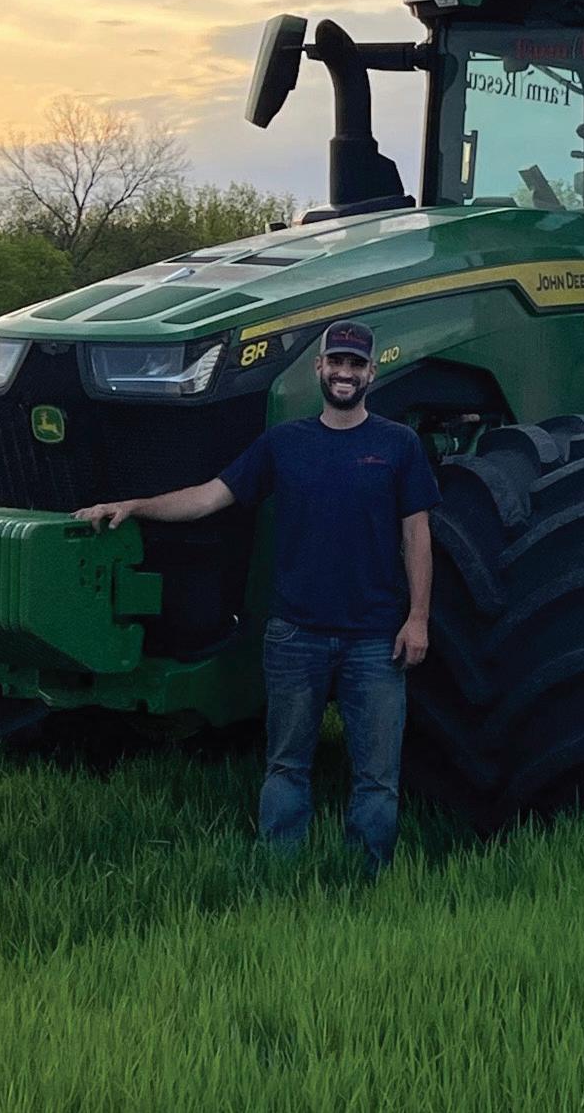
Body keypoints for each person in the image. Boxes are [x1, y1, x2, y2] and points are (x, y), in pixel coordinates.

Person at [75, 319, 439, 871]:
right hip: (296, 635)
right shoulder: (285, 444)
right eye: (335, 362)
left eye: (355, 364)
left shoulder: (398, 445)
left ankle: (366, 880)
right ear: (319, 368)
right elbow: (206, 499)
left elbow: (417, 534)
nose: (344, 373)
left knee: (378, 777)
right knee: (287, 765)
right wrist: (132, 506)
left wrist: (418, 618)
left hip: (375, 637)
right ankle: (278, 874)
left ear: (372, 371)